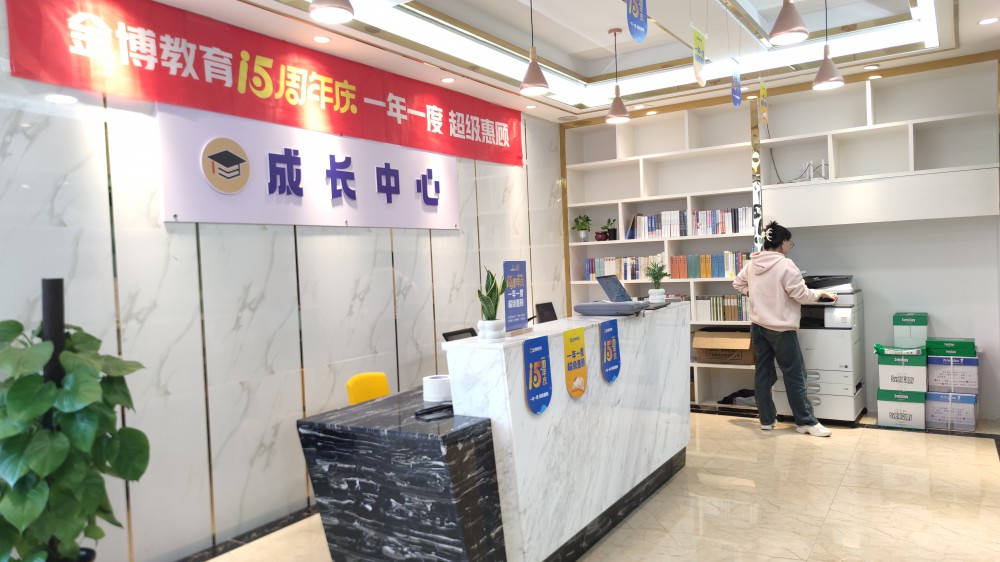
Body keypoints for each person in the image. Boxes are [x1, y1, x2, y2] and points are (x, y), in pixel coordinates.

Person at [733, 221, 837, 437]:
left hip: (758, 326)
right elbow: (802, 295)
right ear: (782, 243)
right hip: (781, 329)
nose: (789, 246)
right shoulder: (785, 265)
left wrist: (755, 295)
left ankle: (766, 420)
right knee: (795, 375)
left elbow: (738, 284)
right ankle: (805, 422)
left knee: (763, 374)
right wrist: (820, 294)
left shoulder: (752, 263)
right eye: (790, 242)